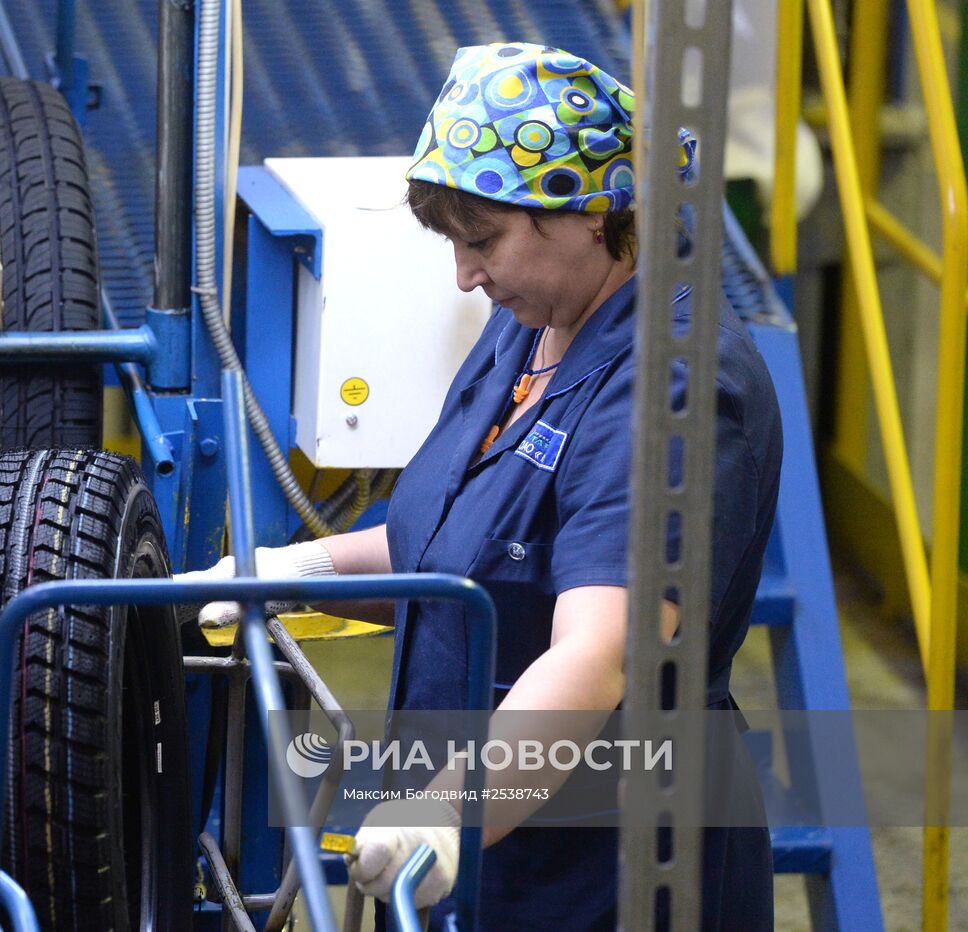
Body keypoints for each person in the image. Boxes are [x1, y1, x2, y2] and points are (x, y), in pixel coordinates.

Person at [179, 42, 780, 930]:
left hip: (605, 865)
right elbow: (461, 546)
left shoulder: (671, 382)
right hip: (467, 844)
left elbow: (601, 650)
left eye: (483, 240)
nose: (463, 275)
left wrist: (450, 810)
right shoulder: (531, 329)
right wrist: (289, 569)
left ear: (585, 212)